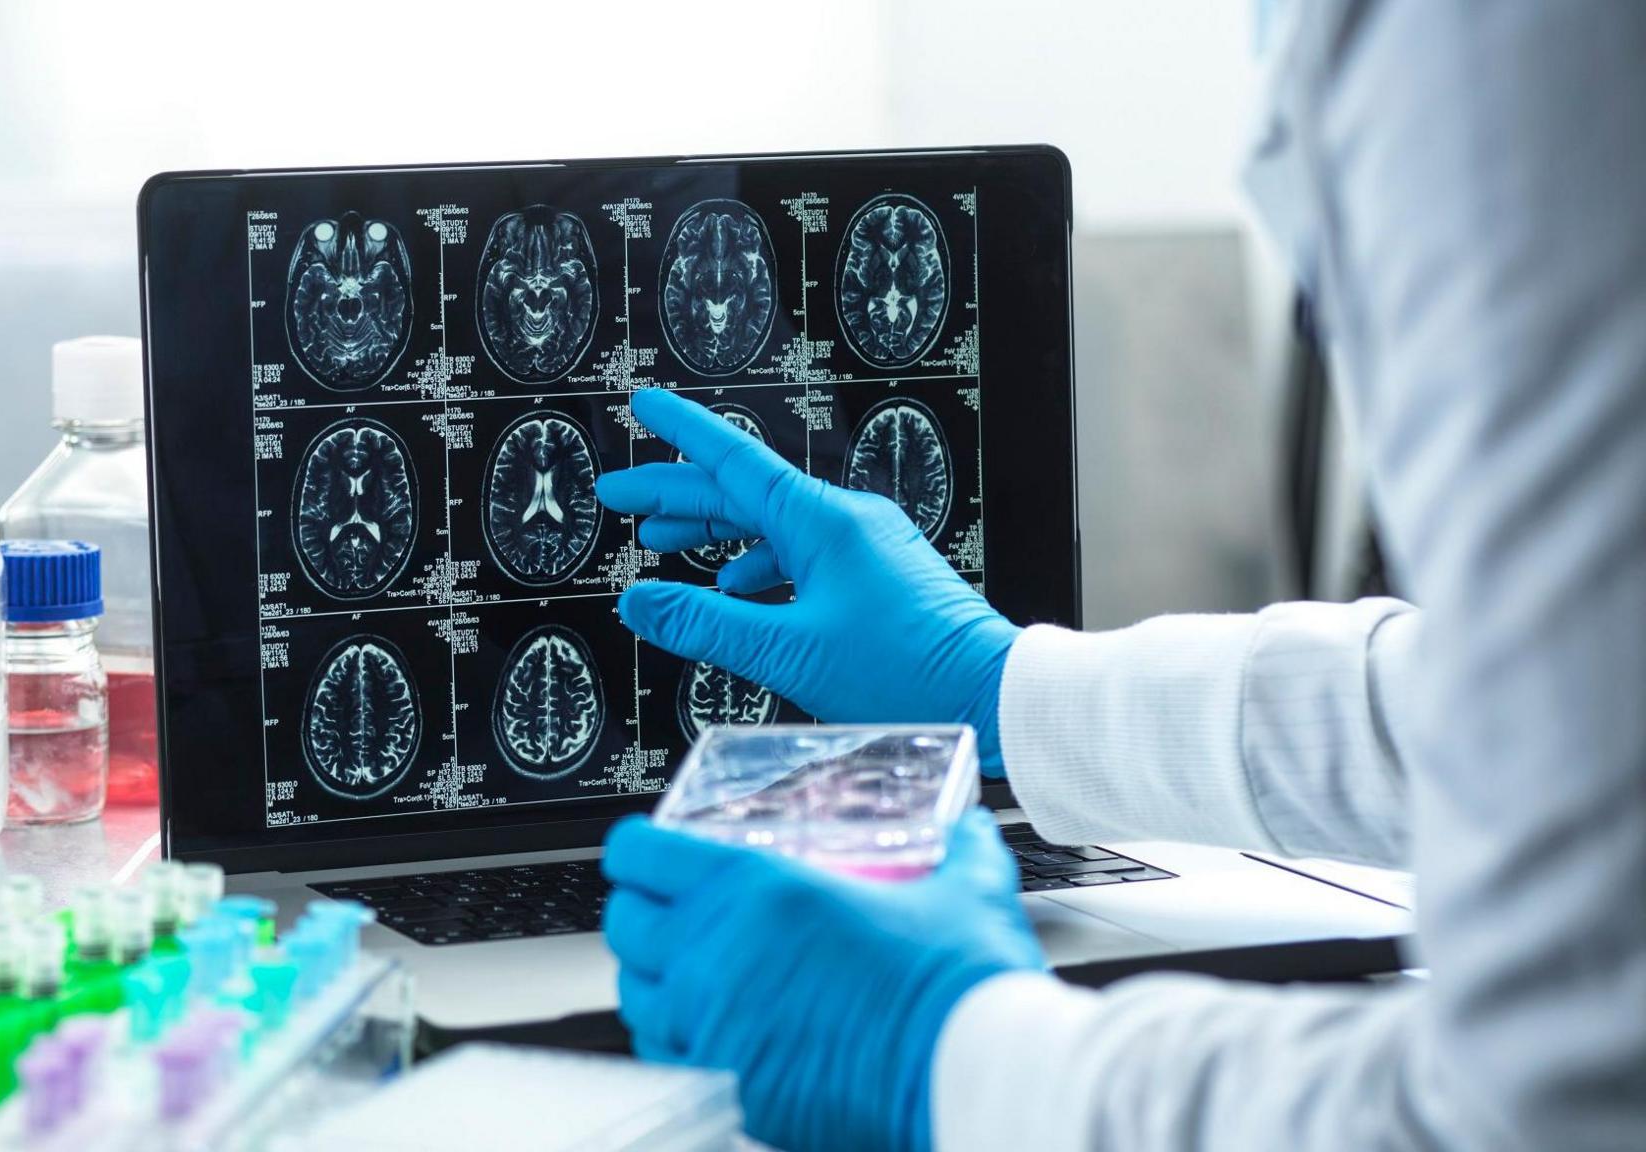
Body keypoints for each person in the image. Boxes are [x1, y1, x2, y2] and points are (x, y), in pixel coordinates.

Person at [594, 4, 1646, 1150]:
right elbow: (1565, 711)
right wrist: (1004, 692)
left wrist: (949, 1055)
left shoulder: (1498, 41)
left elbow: (1557, 1105)